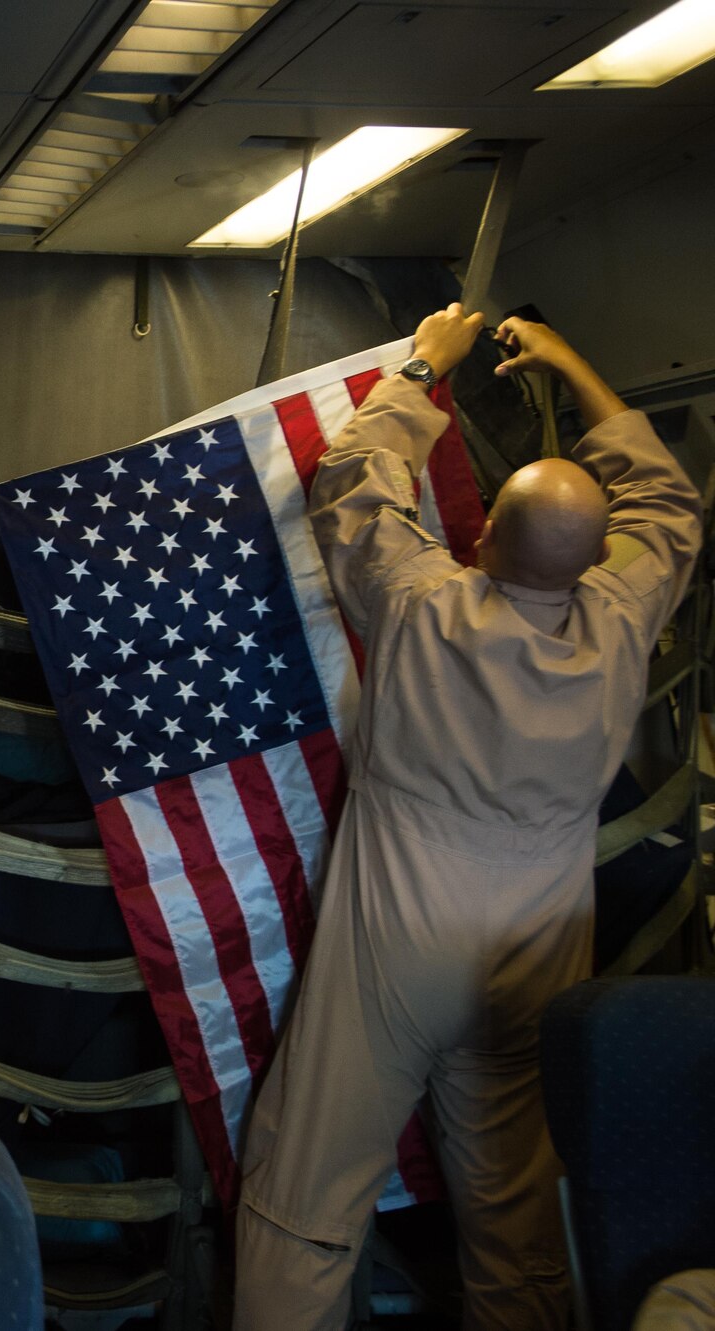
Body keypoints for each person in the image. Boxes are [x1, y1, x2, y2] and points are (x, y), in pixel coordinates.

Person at [233, 304, 703, 1328]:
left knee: (301, 1197)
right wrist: (571, 357)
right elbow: (666, 503)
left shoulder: (418, 604)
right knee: (515, 1211)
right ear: (588, 560)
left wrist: (421, 367)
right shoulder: (621, 618)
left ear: (482, 533)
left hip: (392, 948)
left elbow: (354, 475)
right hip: (534, 948)